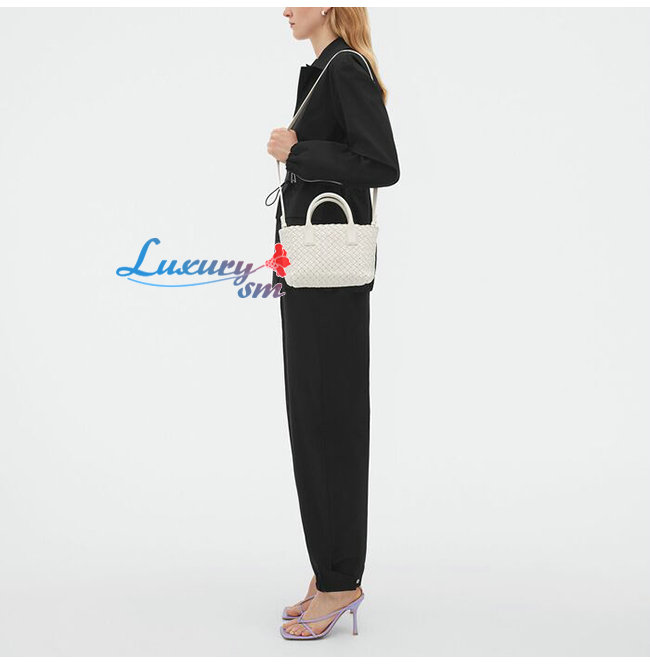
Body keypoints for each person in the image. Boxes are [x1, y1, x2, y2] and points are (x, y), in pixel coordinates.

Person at [266, 7, 400, 640]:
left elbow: (382, 165)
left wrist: (300, 151)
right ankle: (328, 571)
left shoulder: (345, 68)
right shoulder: (322, 69)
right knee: (312, 419)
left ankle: (343, 578)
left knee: (331, 422)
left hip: (332, 284)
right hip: (309, 276)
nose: (285, 8)